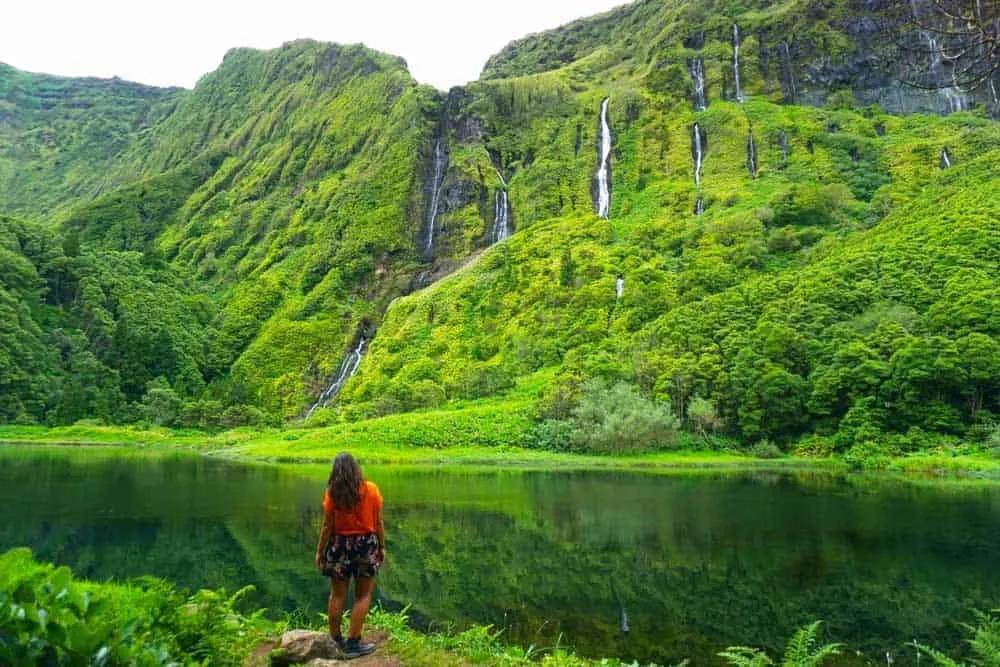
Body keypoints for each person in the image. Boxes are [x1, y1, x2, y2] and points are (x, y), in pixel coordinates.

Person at [315, 452, 385, 658]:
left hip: (338, 546)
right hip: (366, 546)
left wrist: (320, 551)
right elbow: (378, 522)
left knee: (337, 595)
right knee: (363, 596)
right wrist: (382, 546)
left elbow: (327, 525)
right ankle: (353, 643)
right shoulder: (371, 489)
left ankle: (336, 641)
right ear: (356, 469)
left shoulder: (332, 493)